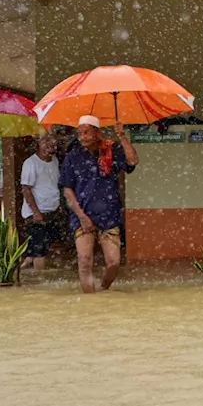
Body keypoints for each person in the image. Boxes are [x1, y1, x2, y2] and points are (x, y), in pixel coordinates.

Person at [60, 115, 139, 293]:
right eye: (79, 133)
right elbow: (68, 191)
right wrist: (82, 217)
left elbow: (133, 161)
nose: (82, 137)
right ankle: (90, 301)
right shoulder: (73, 157)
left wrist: (122, 135)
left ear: (97, 133)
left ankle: (103, 291)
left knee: (114, 263)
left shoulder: (112, 150)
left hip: (109, 216)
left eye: (86, 132)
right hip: (82, 216)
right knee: (84, 260)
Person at [20, 133, 64, 271]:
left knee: (47, 244)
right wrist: (36, 213)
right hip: (37, 214)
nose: (50, 143)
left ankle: (27, 262)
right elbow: (26, 189)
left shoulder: (55, 160)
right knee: (41, 251)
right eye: (45, 140)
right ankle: (41, 282)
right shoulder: (31, 163)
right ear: (38, 143)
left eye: (52, 140)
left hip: (52, 211)